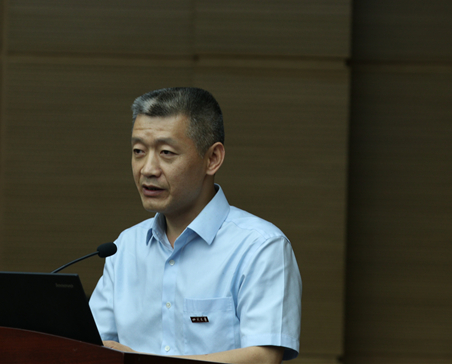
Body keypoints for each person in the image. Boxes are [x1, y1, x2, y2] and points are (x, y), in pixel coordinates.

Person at [89, 87, 302, 363]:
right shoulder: (124, 248)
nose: (148, 169)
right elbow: (88, 347)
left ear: (212, 159)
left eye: (166, 152)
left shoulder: (260, 247)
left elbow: (262, 357)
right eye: (138, 151)